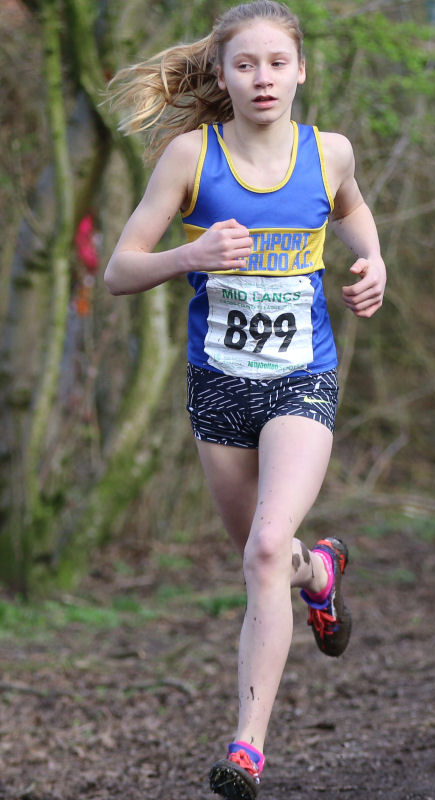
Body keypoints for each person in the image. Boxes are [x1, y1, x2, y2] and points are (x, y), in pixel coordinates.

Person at [104, 2, 386, 797]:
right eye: (244, 65)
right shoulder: (190, 157)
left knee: (264, 551)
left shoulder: (327, 153)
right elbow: (118, 269)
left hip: (302, 377)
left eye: (275, 63)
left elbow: (354, 209)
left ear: (300, 70)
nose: (261, 78)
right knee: (268, 559)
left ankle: (247, 748)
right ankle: (319, 574)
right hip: (219, 387)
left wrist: (373, 262)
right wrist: (188, 252)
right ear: (222, 76)